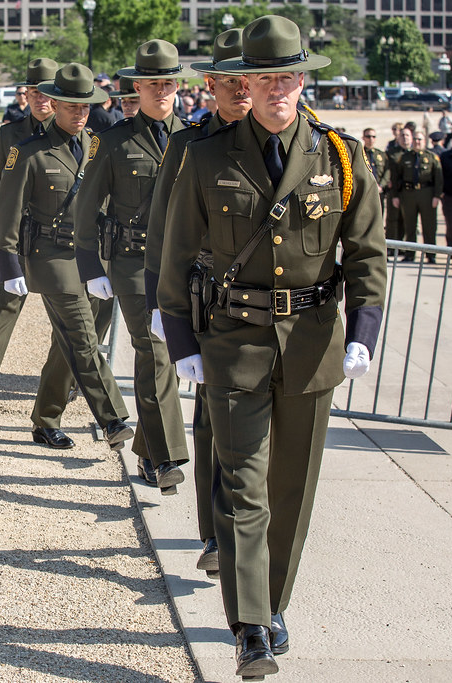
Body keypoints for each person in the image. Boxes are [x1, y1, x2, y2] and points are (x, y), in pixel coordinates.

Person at [158, 16, 387, 678]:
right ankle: (250, 624)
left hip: (314, 345)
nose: (279, 87)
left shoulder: (340, 156)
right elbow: (176, 259)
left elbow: (367, 252)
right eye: (266, 76)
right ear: (246, 83)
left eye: (290, 75)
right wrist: (181, 341)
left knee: (292, 487)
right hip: (233, 345)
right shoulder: (207, 157)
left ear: (300, 79)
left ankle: (275, 600)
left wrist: (364, 332)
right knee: (245, 485)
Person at [145, 27, 251, 574]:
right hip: (207, 299)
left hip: (263, 305)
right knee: (212, 418)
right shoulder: (188, 146)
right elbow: (163, 231)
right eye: (229, 81)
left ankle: (240, 532)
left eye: (246, 78)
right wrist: (160, 307)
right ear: (211, 85)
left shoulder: (276, 142)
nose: (240, 90)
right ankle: (214, 535)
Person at [0, 62, 134, 452]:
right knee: (83, 337)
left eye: (86, 106)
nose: (80, 113)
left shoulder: (96, 145)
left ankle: (45, 419)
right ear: (53, 104)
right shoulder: (28, 151)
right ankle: (113, 418)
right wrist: (8, 261)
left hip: (93, 258)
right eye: (72, 106)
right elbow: (8, 208)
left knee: (68, 342)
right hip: (51, 256)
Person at [76, 39, 195, 494]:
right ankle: (166, 460)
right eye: (153, 83)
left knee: (159, 357)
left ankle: (147, 450)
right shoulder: (112, 141)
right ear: (137, 87)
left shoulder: (196, 138)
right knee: (156, 350)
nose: (161, 90)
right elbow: (85, 209)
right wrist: (92, 266)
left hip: (181, 265)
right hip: (131, 261)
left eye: (168, 82)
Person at [0, 57, 58, 408]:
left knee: (63, 314)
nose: (39, 99)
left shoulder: (77, 134)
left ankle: (64, 380)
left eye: (46, 92)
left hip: (56, 237)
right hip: (16, 235)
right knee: (4, 304)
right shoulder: (11, 133)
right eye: (33, 92)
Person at [392, 129, 444, 263]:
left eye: (420, 139)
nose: (417, 142)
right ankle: (410, 254)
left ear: (424, 141)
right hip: (408, 194)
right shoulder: (404, 158)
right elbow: (397, 177)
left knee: (429, 226)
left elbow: (438, 178)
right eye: (415, 139)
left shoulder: (431, 157)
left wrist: (437, 196)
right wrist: (396, 195)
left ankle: (431, 255)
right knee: (410, 225)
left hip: (427, 193)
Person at [384, 125, 412, 247]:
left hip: (409, 192)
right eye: (402, 135)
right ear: (398, 138)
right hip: (394, 190)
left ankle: (405, 247)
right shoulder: (391, 153)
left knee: (407, 220)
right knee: (392, 219)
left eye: (407, 135)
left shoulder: (414, 153)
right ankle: (391, 246)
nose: (405, 138)